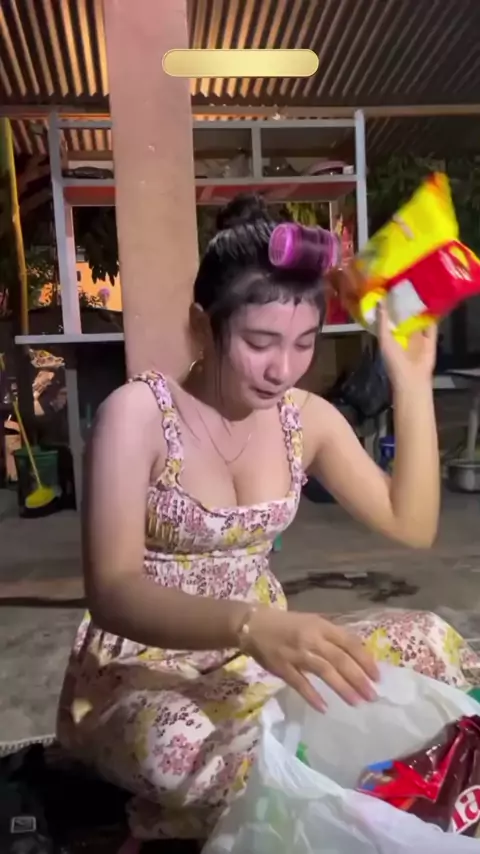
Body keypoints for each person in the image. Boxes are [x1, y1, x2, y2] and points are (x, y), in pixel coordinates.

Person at [57, 193, 478, 843]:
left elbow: (412, 523)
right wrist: (249, 624)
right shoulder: (137, 415)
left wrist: (411, 378)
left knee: (429, 641)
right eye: (260, 343)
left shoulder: (303, 420)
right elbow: (112, 592)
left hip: (264, 648)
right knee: (190, 745)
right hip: (149, 667)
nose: (283, 369)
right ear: (203, 326)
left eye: (304, 343)